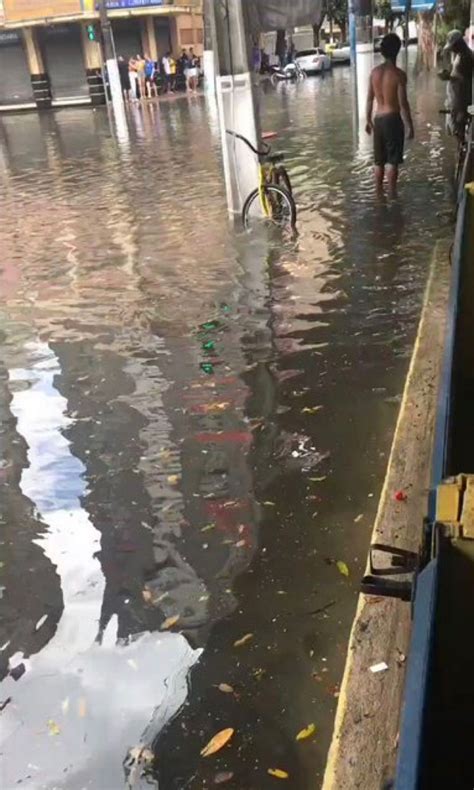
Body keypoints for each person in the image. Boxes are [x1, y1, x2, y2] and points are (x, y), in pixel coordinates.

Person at [365, 33, 414, 195]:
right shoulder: (399, 75)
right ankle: (393, 195)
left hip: (378, 119)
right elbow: (403, 104)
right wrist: (410, 126)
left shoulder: (374, 73)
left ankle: (378, 194)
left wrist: (367, 120)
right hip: (392, 119)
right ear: (397, 50)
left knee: (378, 161)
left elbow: (369, 100)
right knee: (393, 161)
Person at [439, 30, 473, 142]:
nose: (452, 49)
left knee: (459, 132)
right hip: (454, 99)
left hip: (460, 102)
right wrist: (449, 74)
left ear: (459, 44)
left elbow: (466, 82)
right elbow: (458, 75)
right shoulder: (460, 55)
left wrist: (449, 77)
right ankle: (461, 155)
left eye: (453, 46)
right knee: (456, 132)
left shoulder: (467, 57)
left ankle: (462, 156)